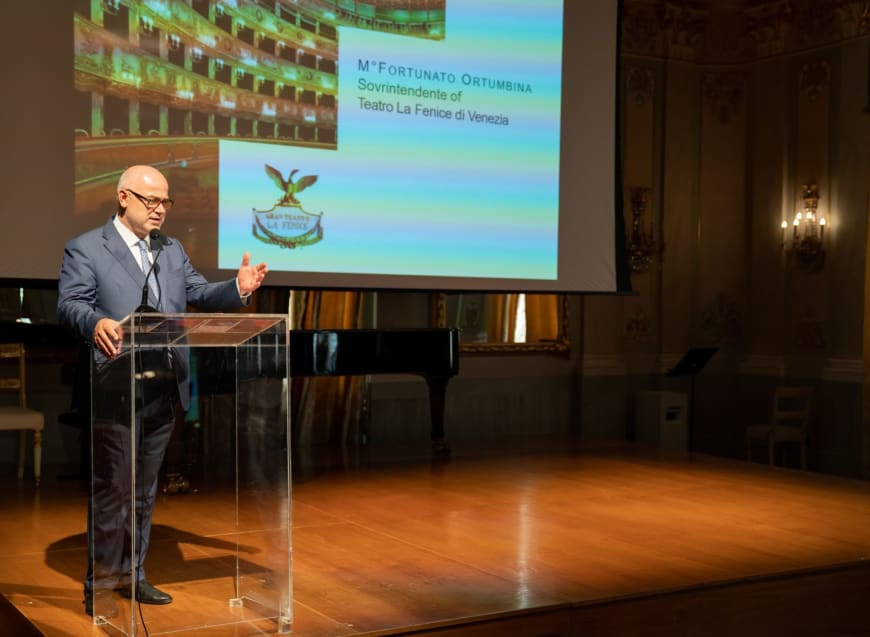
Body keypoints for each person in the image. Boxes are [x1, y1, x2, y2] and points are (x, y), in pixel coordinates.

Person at [57, 165, 268, 616]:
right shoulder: (87, 248)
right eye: (151, 201)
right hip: (113, 384)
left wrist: (237, 288)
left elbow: (199, 294)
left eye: (165, 202)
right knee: (113, 485)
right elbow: (70, 303)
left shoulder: (171, 251)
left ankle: (134, 574)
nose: (160, 210)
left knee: (144, 488)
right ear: (123, 198)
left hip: (163, 384)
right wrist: (96, 322)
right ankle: (101, 580)